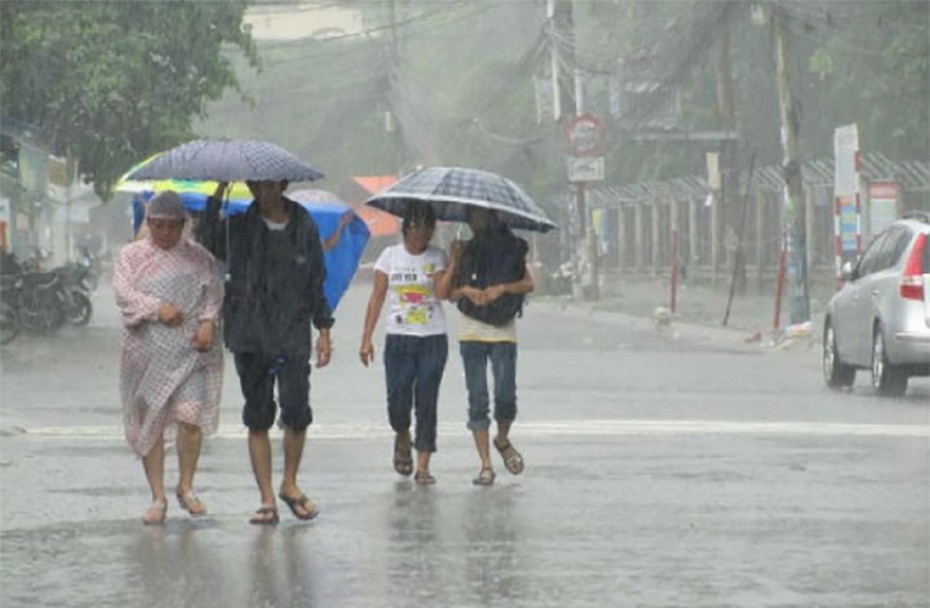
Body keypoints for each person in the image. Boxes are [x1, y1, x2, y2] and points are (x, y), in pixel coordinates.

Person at [198, 180, 333, 524]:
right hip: (249, 332)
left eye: (269, 184)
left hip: (292, 331)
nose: (262, 189)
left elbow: (316, 279)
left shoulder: (304, 225)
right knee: (257, 414)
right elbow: (207, 241)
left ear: (283, 183)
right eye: (254, 184)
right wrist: (218, 195)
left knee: (296, 408)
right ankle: (267, 499)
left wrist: (324, 329)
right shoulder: (240, 226)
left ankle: (289, 482)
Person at [113, 190, 223, 525]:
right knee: (153, 424)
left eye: (172, 226)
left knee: (190, 416)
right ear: (148, 223)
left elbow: (214, 293)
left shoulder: (200, 258)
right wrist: (157, 308)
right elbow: (123, 293)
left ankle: (186, 485)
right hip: (145, 353)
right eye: (158, 226)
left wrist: (207, 321)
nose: (165, 233)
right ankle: (157, 496)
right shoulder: (131, 257)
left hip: (189, 351)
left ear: (183, 225)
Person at [441, 208, 534, 486]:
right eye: (471, 216)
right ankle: (485, 464)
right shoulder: (464, 251)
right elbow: (448, 293)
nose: (476, 221)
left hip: (503, 332)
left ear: (493, 217)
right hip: (471, 332)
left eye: (481, 216)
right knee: (478, 398)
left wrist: (501, 289)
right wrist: (467, 287)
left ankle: (502, 439)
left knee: (506, 396)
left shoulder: (512, 249)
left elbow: (529, 283)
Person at [359, 204, 451, 485]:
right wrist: (366, 339)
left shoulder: (437, 256)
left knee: (427, 400)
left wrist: (455, 263)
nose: (421, 232)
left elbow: (442, 294)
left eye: (427, 227)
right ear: (407, 227)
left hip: (432, 338)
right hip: (399, 337)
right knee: (398, 400)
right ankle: (402, 434)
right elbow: (377, 298)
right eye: (416, 226)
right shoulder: (389, 257)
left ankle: (423, 464)